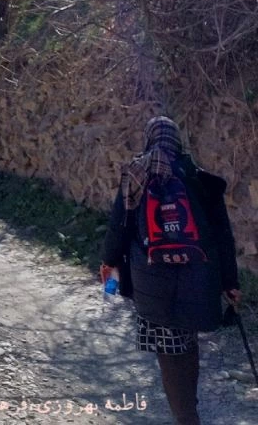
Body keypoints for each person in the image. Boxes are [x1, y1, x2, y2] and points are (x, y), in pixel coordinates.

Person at [101, 115, 242, 425]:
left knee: (170, 352)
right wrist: (230, 282)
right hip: (198, 281)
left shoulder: (136, 175)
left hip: (151, 282)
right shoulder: (198, 179)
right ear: (177, 142)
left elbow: (118, 228)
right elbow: (222, 238)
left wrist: (108, 262)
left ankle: (186, 416)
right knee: (186, 344)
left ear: (150, 139)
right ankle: (188, 409)